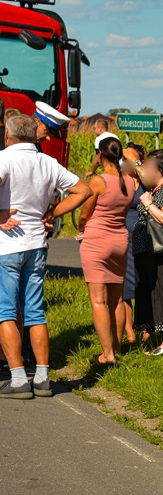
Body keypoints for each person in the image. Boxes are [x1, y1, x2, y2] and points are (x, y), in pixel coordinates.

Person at [0, 114, 93, 399]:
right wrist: (52, 213)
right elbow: (84, 190)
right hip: (37, 244)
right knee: (35, 313)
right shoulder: (47, 162)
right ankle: (42, 376)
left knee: (5, 313)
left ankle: (18, 378)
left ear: (8, 135)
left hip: (7, 245)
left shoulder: (4, 159)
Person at [79, 137, 136, 365]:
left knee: (98, 301)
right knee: (117, 299)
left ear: (101, 155)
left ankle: (107, 354)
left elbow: (84, 214)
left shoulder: (98, 182)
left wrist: (82, 227)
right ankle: (117, 347)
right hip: (120, 241)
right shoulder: (130, 182)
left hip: (96, 242)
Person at [132, 149, 163, 355]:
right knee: (152, 293)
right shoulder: (155, 189)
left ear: (160, 170)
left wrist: (148, 204)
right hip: (148, 251)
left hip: (161, 252)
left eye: (150, 167)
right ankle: (161, 339)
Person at [118, 142, 147, 345]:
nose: (125, 163)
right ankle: (129, 332)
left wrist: (138, 168)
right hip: (123, 236)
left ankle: (146, 329)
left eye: (130, 159)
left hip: (144, 235)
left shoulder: (147, 179)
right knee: (126, 287)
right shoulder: (121, 180)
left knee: (144, 283)